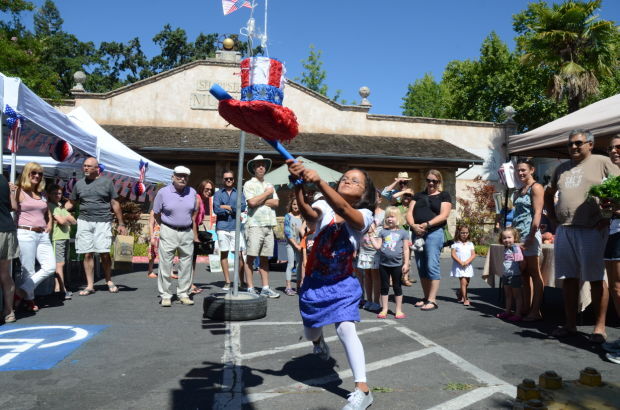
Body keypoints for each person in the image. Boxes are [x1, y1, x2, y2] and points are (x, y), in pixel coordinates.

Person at [287, 159, 375, 410]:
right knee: (311, 331)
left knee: (346, 328)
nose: (347, 180)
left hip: (343, 283)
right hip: (315, 283)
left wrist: (319, 182)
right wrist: (297, 186)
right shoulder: (323, 204)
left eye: (355, 180)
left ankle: (363, 389)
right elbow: (309, 216)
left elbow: (348, 213)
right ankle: (317, 342)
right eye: (345, 177)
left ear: (365, 193)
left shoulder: (365, 215)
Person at [544, 129, 619, 343]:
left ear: (590, 144)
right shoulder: (561, 168)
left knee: (595, 279)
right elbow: (548, 194)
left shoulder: (601, 161)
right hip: (565, 229)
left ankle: (599, 326)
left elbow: (618, 188)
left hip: (592, 230)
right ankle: (570, 324)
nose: (574, 147)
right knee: (569, 279)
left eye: (578, 143)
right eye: (570, 144)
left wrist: (608, 215)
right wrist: (553, 218)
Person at [65, 157, 127, 295]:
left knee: (104, 253)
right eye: (84, 166)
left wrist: (121, 223)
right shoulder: (79, 184)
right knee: (87, 253)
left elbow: (115, 203)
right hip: (84, 221)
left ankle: (109, 280)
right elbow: (71, 203)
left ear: (96, 168)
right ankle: (90, 285)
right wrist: (56, 209)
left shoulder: (107, 183)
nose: (85, 168)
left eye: (89, 166)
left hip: (103, 221)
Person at [11, 162, 55, 312]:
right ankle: (29, 300)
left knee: (50, 267)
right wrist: (11, 192)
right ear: (27, 174)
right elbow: (12, 208)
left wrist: (50, 224)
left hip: (42, 234)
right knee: (28, 269)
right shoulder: (18, 191)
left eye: (40, 173)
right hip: (25, 232)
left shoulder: (42, 194)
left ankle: (20, 293)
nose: (37, 176)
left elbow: (47, 211)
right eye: (33, 173)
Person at [152, 166, 199, 307]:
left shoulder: (192, 192)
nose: (182, 178)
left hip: (187, 231)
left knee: (186, 264)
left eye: (185, 176)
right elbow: (156, 213)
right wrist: (165, 227)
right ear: (173, 177)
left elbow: (194, 212)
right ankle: (166, 295)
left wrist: (189, 226)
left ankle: (183, 294)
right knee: (165, 264)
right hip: (168, 231)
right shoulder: (163, 192)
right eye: (179, 175)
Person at [406, 170, 452, 311]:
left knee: (432, 264)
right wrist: (413, 226)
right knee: (421, 265)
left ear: (439, 182)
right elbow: (409, 213)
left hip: (433, 233)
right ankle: (426, 297)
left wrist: (427, 225)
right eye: (428, 180)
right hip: (417, 234)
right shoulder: (418, 195)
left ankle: (432, 300)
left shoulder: (444, 195)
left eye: (434, 181)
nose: (431, 183)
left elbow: (444, 215)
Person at [243, 155, 280, 298]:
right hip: (254, 225)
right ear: (253, 168)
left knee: (265, 258)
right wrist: (267, 194)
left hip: (268, 225)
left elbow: (276, 203)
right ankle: (250, 288)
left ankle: (265, 287)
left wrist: (260, 199)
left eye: (263, 165)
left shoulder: (269, 184)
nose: (261, 167)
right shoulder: (249, 184)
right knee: (251, 257)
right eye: (258, 165)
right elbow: (251, 203)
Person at [512, 158, 545, 321]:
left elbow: (538, 213)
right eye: (518, 170)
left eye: (523, 170)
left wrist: (531, 236)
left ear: (532, 170)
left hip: (529, 235)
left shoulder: (536, 187)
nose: (520, 173)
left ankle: (536, 310)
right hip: (518, 237)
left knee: (534, 272)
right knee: (523, 273)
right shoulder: (519, 190)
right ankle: (526, 306)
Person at [213, 170, 250, 291]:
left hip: (236, 227)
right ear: (223, 180)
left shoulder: (239, 193)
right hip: (222, 227)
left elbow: (243, 207)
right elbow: (216, 209)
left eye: (230, 178)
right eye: (226, 179)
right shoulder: (218, 194)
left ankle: (241, 281)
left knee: (239, 255)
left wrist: (227, 207)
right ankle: (228, 281)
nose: (228, 180)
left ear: (234, 180)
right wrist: (233, 209)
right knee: (224, 253)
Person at [370, 206, 410, 319]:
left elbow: (406, 249)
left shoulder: (403, 233)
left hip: (397, 265)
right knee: (384, 287)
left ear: (397, 218)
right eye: (387, 217)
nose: (389, 219)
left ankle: (398, 310)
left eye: (392, 216)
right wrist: (371, 237)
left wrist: (406, 263)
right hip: (384, 264)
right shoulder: (383, 232)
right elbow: (378, 246)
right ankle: (384, 309)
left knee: (397, 286)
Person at [603, 135, 620, 363]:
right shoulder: (613, 177)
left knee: (618, 288)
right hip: (613, 230)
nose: (614, 151)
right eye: (611, 148)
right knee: (615, 287)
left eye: (619, 146)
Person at [47, 184, 77, 300]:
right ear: (49, 194)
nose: (57, 195)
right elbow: (62, 220)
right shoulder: (51, 206)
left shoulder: (60, 206)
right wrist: (65, 220)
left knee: (62, 263)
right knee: (59, 264)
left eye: (59, 193)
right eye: (55, 193)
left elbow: (73, 221)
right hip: (56, 238)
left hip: (64, 237)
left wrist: (65, 220)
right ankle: (60, 289)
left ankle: (59, 288)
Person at [357, 191, 384, 312]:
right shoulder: (365, 213)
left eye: (375, 197)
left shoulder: (383, 214)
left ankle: (376, 301)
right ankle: (369, 299)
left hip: (376, 250)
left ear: (380, 199)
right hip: (364, 248)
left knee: (375, 275)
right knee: (366, 275)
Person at [496, 227, 526, 322]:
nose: (507, 240)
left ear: (515, 238)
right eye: (504, 238)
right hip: (506, 275)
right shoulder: (506, 248)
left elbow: (522, 262)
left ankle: (518, 314)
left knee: (517, 295)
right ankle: (507, 311)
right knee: (508, 295)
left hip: (514, 275)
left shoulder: (515, 248)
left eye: (509, 237)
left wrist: (518, 272)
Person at [192, 179, 215, 294]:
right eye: (206, 189)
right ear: (201, 189)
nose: (209, 192)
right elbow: (192, 219)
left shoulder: (201, 200)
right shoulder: (197, 199)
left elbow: (196, 219)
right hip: (190, 234)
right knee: (190, 260)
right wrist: (195, 238)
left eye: (211, 190)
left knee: (192, 260)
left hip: (192, 231)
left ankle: (190, 283)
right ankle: (188, 285)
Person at [1, 173, 18, 323]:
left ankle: (8, 311)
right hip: (6, 229)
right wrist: (11, 192)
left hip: (4, 230)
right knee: (4, 273)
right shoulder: (3, 180)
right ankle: (9, 311)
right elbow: (13, 206)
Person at [450, 224, 476, 306]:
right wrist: (460, 262)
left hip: (467, 265)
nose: (464, 234)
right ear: (458, 233)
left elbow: (473, 254)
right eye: (462, 233)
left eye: (466, 233)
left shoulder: (470, 244)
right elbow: (453, 254)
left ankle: (460, 293)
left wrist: (467, 261)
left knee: (467, 282)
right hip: (459, 265)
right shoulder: (455, 243)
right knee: (463, 282)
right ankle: (465, 298)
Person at [283, 195, 303, 296]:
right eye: (294, 204)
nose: (296, 206)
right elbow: (287, 232)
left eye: (298, 205)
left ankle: (298, 286)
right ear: (291, 205)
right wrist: (295, 244)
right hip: (291, 245)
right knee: (291, 264)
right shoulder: (288, 216)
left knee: (299, 265)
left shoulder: (303, 217)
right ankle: (288, 287)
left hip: (300, 245)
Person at [147, 209, 160, 279]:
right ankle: (150, 270)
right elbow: (151, 224)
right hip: (156, 234)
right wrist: (152, 237)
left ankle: (168, 271)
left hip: (165, 234)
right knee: (152, 254)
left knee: (166, 253)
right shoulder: (154, 210)